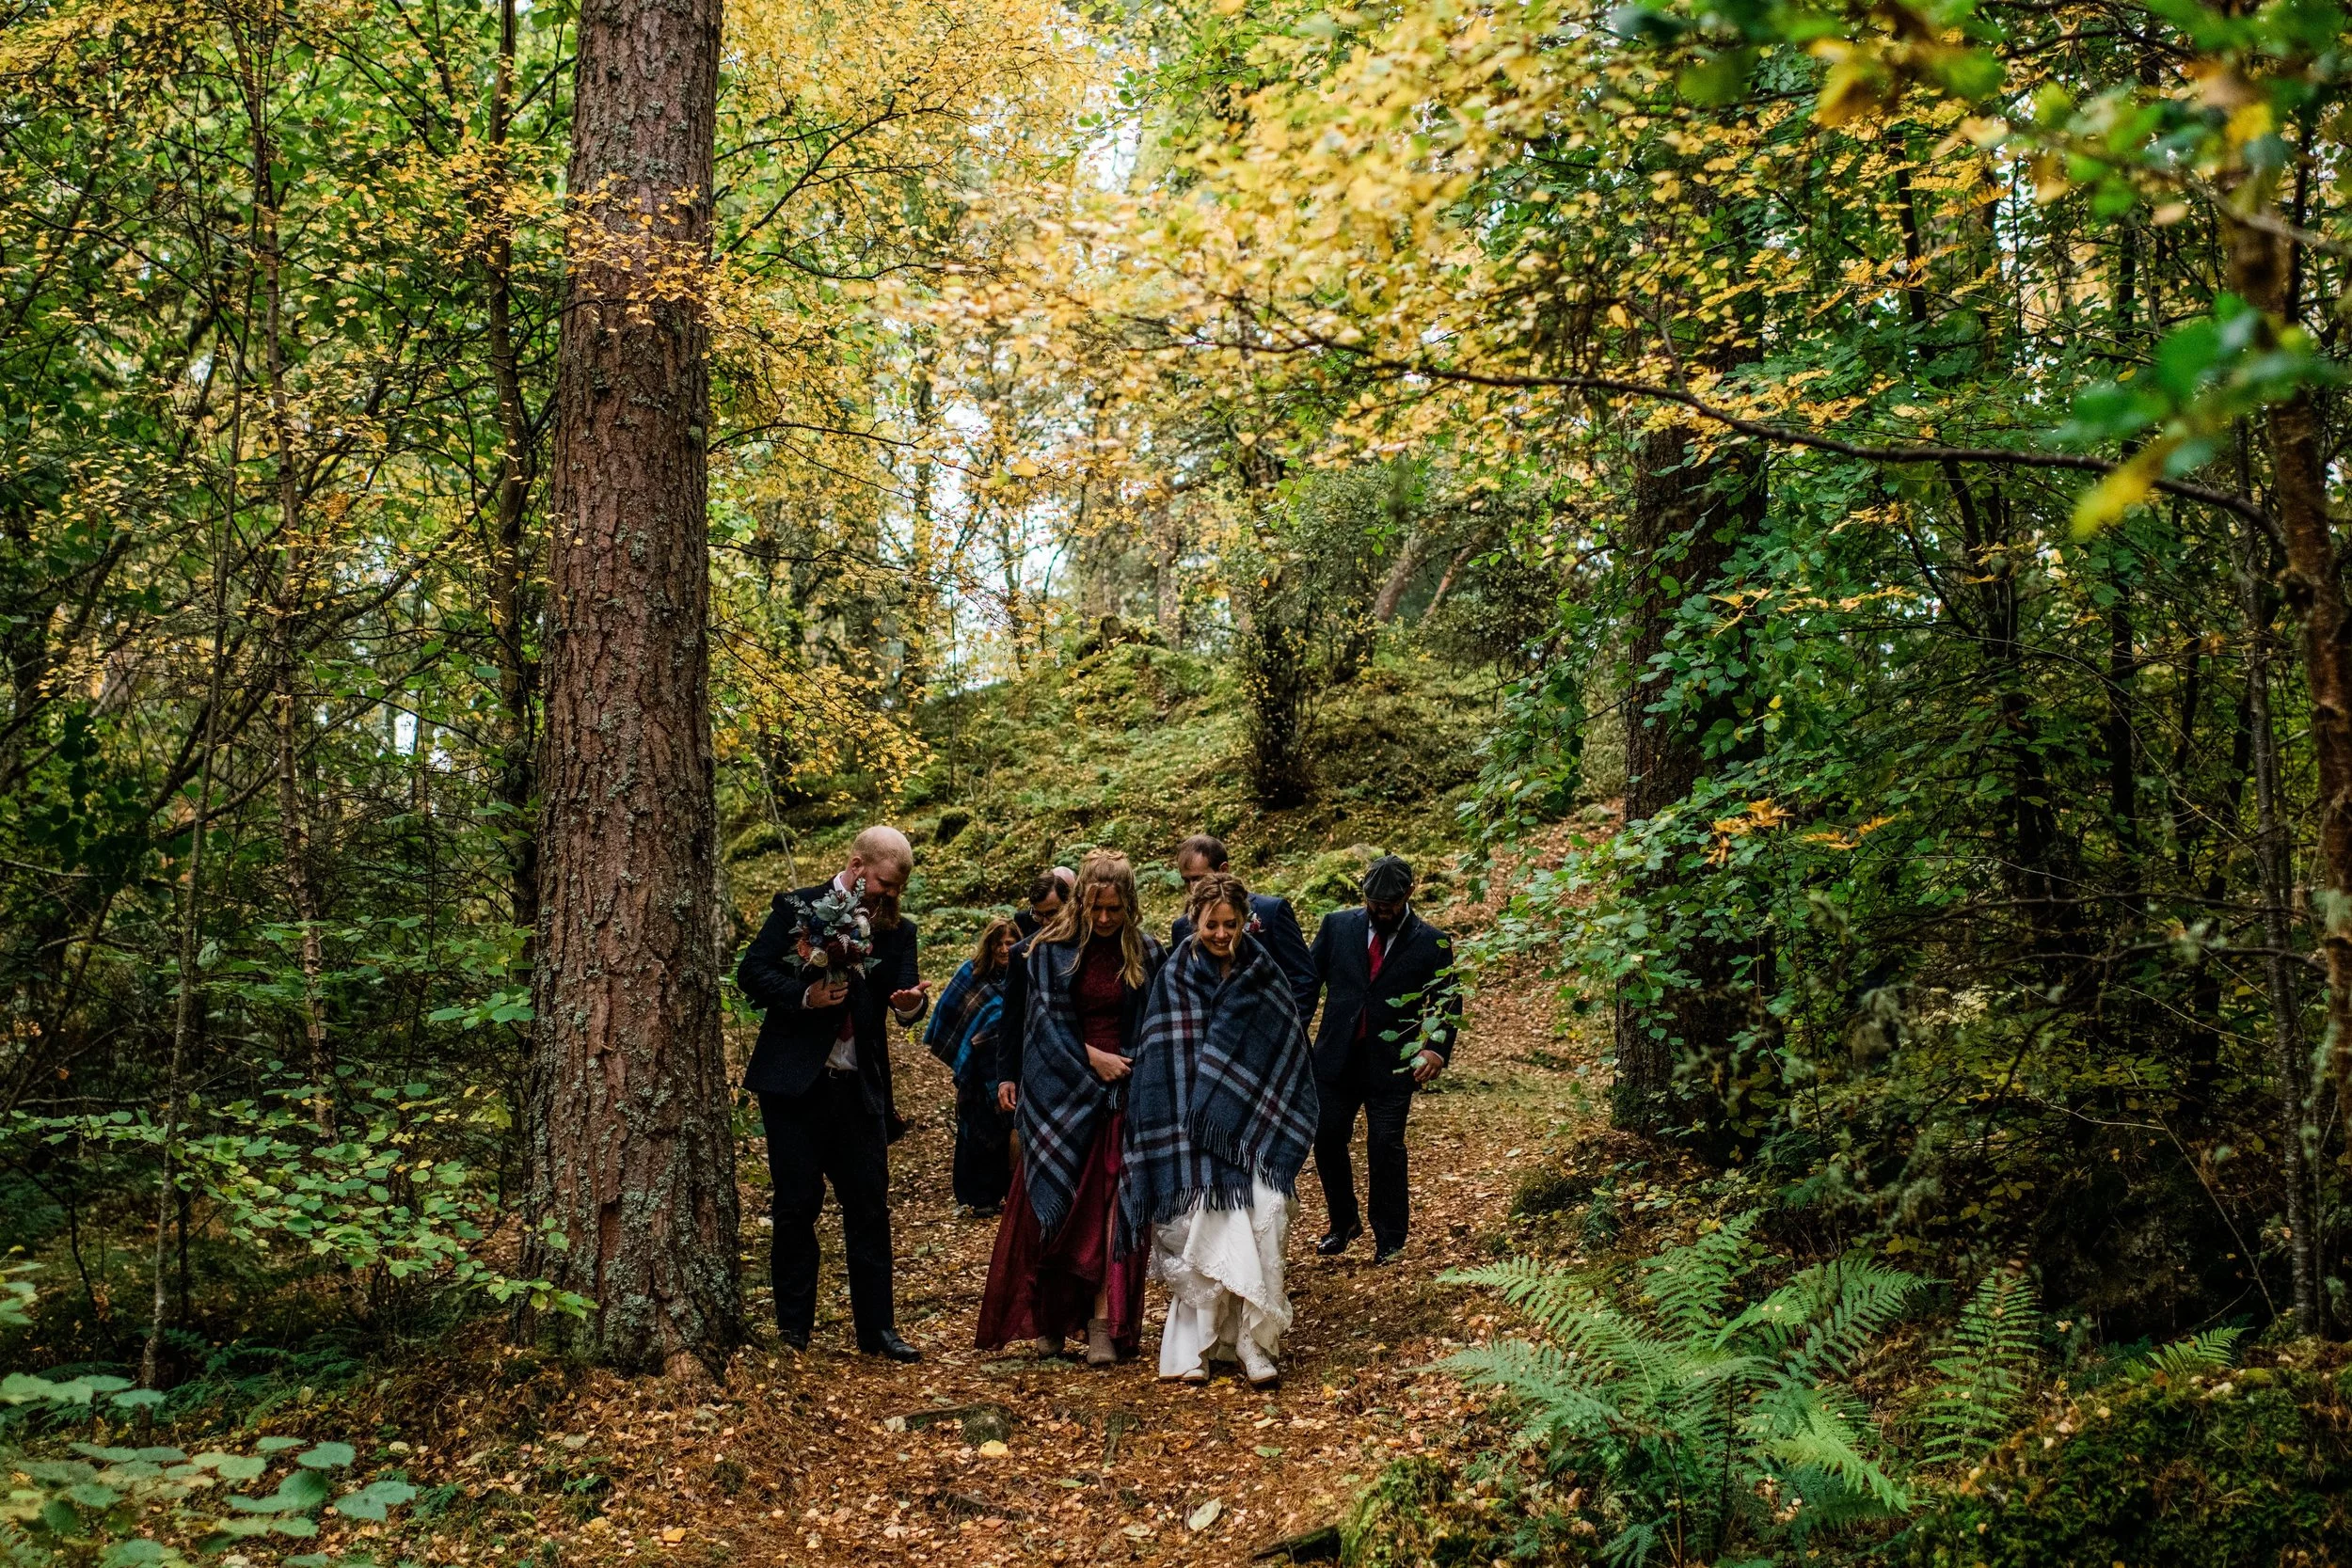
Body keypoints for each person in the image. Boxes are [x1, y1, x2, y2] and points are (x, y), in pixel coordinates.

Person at [737, 826, 930, 1361]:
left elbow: (906, 1001)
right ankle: (793, 1332)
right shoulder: (797, 908)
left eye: (898, 889)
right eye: (885, 884)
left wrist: (912, 1004)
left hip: (859, 1089)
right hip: (793, 1087)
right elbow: (750, 972)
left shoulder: (899, 930)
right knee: (796, 1207)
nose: (890, 896)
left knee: (868, 1208)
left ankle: (878, 1332)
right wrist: (805, 996)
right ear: (857, 865)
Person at [1122, 871, 1319, 1387]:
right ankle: (1199, 1347)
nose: (1222, 934)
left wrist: (1248, 1120)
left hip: (1253, 1135)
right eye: (1213, 924)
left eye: (1232, 924)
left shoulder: (1263, 971)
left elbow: (1285, 1051)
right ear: (1196, 920)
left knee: (1265, 1216)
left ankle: (1254, 1343)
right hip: (1190, 1137)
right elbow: (1161, 1060)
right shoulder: (1175, 975)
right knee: (1203, 1228)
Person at [977, 850, 1166, 1365]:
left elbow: (1160, 1025)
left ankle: (1104, 1321)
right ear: (1080, 901)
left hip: (1123, 1093)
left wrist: (1127, 1067)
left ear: (1129, 905)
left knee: (1111, 1208)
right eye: (1095, 908)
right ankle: (1051, 1318)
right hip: (1058, 1093)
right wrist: (1086, 1060)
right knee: (1054, 1206)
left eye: (1114, 910)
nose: (1104, 919)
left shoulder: (1148, 953)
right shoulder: (1044, 952)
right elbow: (1032, 1023)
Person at [1304, 854, 1460, 1265]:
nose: (1381, 910)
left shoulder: (1432, 941)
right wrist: (1292, 1033)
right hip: (1335, 1059)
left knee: (1385, 1145)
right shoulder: (1336, 927)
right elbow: (1307, 980)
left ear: (1409, 894)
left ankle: (1390, 1237)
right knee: (1326, 1137)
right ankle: (1343, 1223)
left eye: (1389, 904)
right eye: (1374, 903)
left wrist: (1434, 1049)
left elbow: (1447, 1002)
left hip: (1393, 1063)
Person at [1169, 834, 1317, 1021]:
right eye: (1187, 881)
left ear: (1223, 869)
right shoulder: (1182, 927)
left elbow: (1304, 979)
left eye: (1199, 878)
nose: (1193, 888)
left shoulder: (1270, 912)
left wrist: (1285, 1032)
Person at [928, 916, 1019, 1216]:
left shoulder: (1024, 974)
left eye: (1010, 943)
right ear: (989, 945)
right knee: (977, 1128)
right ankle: (978, 1197)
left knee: (1006, 1130)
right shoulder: (972, 973)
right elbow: (950, 1010)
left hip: (1008, 1067)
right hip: (977, 1072)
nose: (1005, 949)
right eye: (999, 943)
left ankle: (1005, 1190)